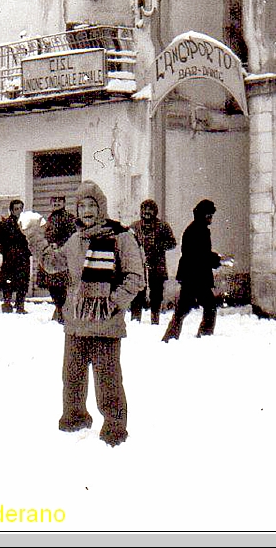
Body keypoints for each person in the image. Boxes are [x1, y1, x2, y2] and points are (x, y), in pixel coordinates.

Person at [21, 181, 144, 446]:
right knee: (72, 377)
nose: (87, 211)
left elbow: (135, 277)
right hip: (76, 322)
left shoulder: (121, 237)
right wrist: (34, 235)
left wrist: (112, 303)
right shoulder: (76, 240)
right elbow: (53, 264)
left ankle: (114, 429)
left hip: (105, 324)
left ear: (101, 208)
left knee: (107, 380)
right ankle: (74, 420)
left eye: (92, 205)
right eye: (82, 206)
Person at [163, 199, 223, 341]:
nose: (211, 218)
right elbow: (197, 255)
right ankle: (204, 335)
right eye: (209, 215)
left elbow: (201, 254)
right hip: (194, 277)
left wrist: (214, 259)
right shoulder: (196, 231)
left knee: (187, 309)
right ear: (202, 215)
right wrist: (216, 260)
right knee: (207, 306)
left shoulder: (198, 229)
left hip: (194, 276)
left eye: (211, 215)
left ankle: (171, 337)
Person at [130, 199, 177, 325]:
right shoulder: (134, 227)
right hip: (138, 266)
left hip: (157, 265)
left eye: (150, 209)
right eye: (144, 209)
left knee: (156, 294)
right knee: (137, 293)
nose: (147, 212)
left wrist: (159, 246)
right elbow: (127, 243)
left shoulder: (162, 226)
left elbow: (172, 243)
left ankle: (155, 319)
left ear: (155, 211)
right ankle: (135, 320)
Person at [38, 196, 77, 323]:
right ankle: (59, 310)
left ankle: (62, 312)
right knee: (52, 286)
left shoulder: (69, 218)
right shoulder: (50, 218)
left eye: (59, 201)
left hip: (61, 258)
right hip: (50, 257)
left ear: (64, 203)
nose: (56, 203)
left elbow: (72, 236)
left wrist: (59, 244)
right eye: (54, 201)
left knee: (60, 287)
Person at [0, 199, 31, 314]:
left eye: (21, 208)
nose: (19, 211)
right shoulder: (5, 223)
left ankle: (20, 305)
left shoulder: (27, 223)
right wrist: (6, 253)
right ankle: (7, 304)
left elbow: (32, 239)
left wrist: (28, 252)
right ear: (11, 210)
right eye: (16, 209)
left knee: (22, 282)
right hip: (10, 259)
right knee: (8, 282)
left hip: (23, 259)